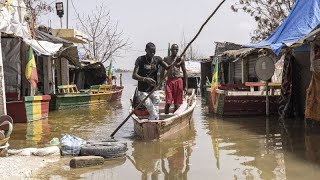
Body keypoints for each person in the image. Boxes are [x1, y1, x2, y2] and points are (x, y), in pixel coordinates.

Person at [132, 42, 172, 120]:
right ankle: (155, 120)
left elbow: (168, 68)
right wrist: (145, 79)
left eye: (154, 51)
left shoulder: (158, 59)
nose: (153, 53)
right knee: (149, 105)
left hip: (154, 89)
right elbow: (134, 75)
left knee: (156, 107)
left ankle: (153, 122)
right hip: (143, 90)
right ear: (146, 50)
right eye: (151, 51)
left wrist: (175, 61)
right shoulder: (140, 60)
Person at [161, 44, 187, 114]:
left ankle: (174, 117)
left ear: (177, 50)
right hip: (169, 81)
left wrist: (185, 85)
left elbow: (184, 72)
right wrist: (160, 82)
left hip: (178, 80)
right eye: (173, 50)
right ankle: (165, 116)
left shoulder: (180, 59)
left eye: (176, 50)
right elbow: (162, 71)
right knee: (168, 102)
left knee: (176, 103)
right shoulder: (166, 59)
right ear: (170, 50)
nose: (174, 51)